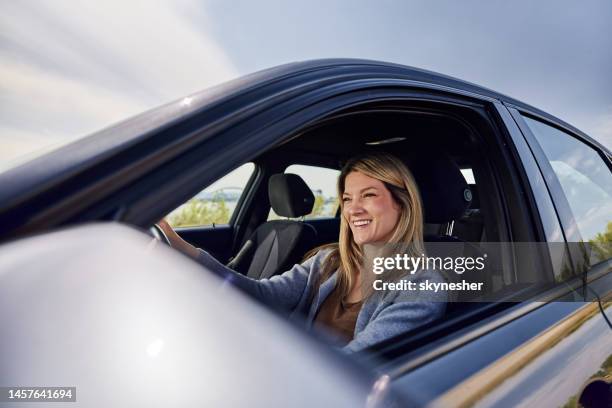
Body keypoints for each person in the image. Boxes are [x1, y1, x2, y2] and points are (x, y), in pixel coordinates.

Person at [158, 153, 446, 352]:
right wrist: (181, 248)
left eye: (369, 195)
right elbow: (262, 296)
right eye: (347, 198)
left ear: (402, 204)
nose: (353, 209)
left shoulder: (421, 286)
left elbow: (355, 364)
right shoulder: (329, 260)